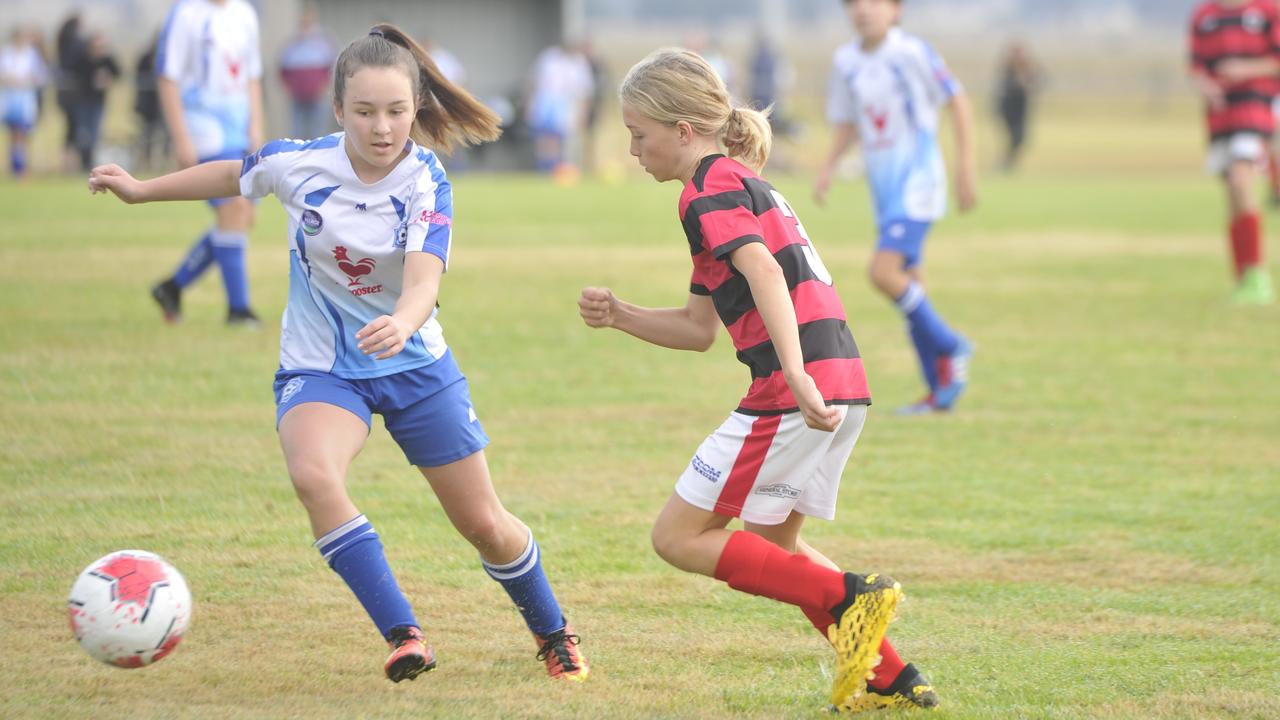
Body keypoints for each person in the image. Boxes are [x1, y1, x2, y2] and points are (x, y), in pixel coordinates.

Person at [89, 23, 589, 684]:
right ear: (336, 110)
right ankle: (404, 633)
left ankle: (553, 631)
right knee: (314, 477)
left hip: (415, 366)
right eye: (364, 112)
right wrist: (142, 188)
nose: (382, 128)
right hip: (322, 367)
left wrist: (404, 322)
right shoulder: (301, 164)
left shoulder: (425, 178)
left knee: (485, 525)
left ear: (416, 109)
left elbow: (424, 281)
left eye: (396, 111)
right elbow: (236, 174)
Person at [578, 48, 935, 712]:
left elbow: (766, 272)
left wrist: (794, 375)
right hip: (842, 378)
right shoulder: (739, 183)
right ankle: (892, 677)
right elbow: (697, 328)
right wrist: (621, 315)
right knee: (777, 547)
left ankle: (853, 595)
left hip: (795, 385)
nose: (631, 149)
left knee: (678, 538)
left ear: (683, 130)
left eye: (638, 134)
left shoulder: (706, 190)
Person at [815, 0, 978, 415]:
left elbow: (958, 101)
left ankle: (951, 344)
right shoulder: (845, 60)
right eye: (853, 4)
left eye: (873, 2)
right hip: (885, 192)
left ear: (895, 9)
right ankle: (938, 389)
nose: (863, 10)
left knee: (883, 273)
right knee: (912, 288)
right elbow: (849, 121)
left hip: (919, 185)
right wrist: (828, 168)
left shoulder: (912, 52)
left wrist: (965, 169)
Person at [150, 0, 266, 327]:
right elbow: (167, 77)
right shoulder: (186, 13)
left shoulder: (245, 13)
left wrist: (256, 124)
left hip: (238, 127)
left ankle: (172, 287)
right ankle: (238, 310)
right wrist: (181, 136)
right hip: (204, 128)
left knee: (242, 216)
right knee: (233, 210)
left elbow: (252, 76)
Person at [1189, 0, 1279, 304]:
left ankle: (1258, 275)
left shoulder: (1268, 11)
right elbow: (1196, 66)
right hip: (1221, 114)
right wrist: (1205, 86)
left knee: (1241, 180)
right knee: (1231, 191)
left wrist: (1247, 69)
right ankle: (1244, 277)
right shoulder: (1204, 15)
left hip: (1256, 109)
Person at [525, 41, 594, 174]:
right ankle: (543, 170)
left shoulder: (579, 63)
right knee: (543, 139)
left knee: (558, 139)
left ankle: (557, 170)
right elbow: (534, 82)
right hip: (545, 102)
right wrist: (529, 104)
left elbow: (584, 92)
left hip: (564, 105)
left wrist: (583, 113)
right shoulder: (549, 57)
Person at [279, 2, 337, 140]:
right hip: (297, 97)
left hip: (317, 96)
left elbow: (334, 66)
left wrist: (325, 86)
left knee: (318, 131)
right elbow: (282, 70)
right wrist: (288, 89)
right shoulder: (292, 44)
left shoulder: (324, 43)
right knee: (297, 131)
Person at [1, 27, 48, 178]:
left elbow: (41, 76)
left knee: (24, 133)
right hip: (11, 98)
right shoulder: (7, 54)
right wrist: (11, 80)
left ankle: (23, 167)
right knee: (14, 133)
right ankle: (15, 167)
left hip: (26, 99)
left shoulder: (31, 54)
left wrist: (30, 79)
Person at [71, 31, 120, 172]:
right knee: (82, 133)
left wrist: (107, 79)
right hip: (82, 101)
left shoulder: (107, 60)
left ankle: (92, 164)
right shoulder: (83, 59)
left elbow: (118, 73)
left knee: (95, 133)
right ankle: (82, 162)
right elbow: (75, 73)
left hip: (98, 102)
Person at [995, 41, 1041, 172]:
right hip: (1009, 108)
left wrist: (1029, 83)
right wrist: (1017, 84)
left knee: (1021, 137)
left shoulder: (1030, 68)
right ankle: (1006, 163)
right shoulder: (1008, 68)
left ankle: (1008, 162)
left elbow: (1040, 81)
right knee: (1014, 136)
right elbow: (1003, 86)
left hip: (1022, 108)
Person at [134, 33, 168, 172]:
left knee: (166, 137)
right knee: (147, 135)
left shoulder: (169, 58)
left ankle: (164, 162)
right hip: (149, 106)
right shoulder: (145, 58)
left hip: (164, 107)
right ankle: (145, 162)